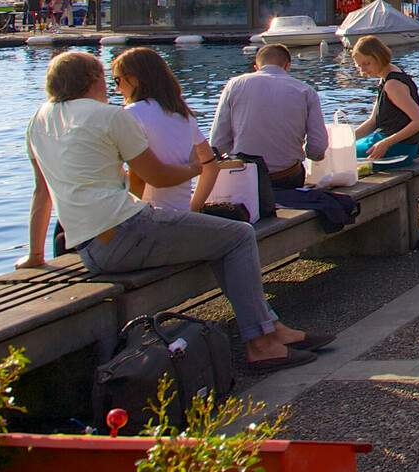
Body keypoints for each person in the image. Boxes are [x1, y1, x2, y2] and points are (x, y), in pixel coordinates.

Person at [18, 51, 323, 370]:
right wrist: (197, 167)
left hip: (90, 248)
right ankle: (261, 343)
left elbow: (42, 194)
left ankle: (270, 329)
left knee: (217, 239)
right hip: (127, 231)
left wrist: (36, 256)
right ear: (93, 81)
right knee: (238, 235)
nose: (111, 86)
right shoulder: (109, 116)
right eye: (106, 80)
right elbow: (157, 176)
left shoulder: (38, 121)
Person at [209, 43, 327, 191]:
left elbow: (217, 143)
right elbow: (317, 148)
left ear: (256, 67)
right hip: (286, 176)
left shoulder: (234, 85)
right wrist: (314, 156)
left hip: (245, 176)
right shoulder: (305, 91)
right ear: (287, 66)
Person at [112, 47, 216, 212]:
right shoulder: (185, 115)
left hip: (150, 216)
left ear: (135, 79)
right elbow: (211, 166)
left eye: (117, 81)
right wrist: (193, 209)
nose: (116, 89)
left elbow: (138, 179)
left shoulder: (132, 113)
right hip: (180, 214)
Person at [350, 36, 419, 168]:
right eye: (359, 66)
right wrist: (347, 139)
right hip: (388, 142)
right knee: (342, 149)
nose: (362, 70)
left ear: (379, 57)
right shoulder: (386, 77)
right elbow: (373, 122)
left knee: (340, 157)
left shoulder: (393, 85)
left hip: (399, 149)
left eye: (367, 63)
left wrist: (386, 143)